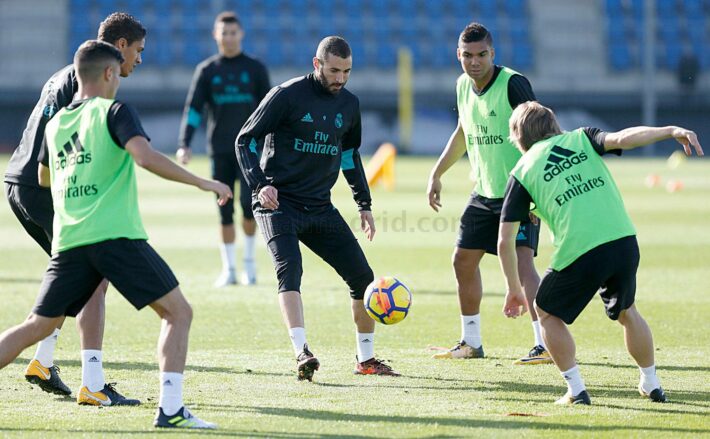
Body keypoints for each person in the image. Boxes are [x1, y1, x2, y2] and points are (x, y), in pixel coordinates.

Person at [0, 40, 230, 428]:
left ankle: (99, 383)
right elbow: (144, 157)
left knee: (36, 327)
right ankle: (171, 409)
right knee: (178, 313)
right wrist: (202, 182)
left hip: (70, 240)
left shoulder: (57, 124)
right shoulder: (116, 111)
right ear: (109, 73)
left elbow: (42, 176)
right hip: (113, 236)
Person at [498, 101, 703, 404]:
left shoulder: (522, 171)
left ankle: (576, 389)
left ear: (519, 138)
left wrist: (514, 288)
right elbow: (623, 138)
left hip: (581, 248)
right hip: (623, 239)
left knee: (545, 312)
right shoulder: (581, 138)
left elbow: (505, 241)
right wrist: (670, 130)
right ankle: (651, 382)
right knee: (627, 311)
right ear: (554, 126)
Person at [3, 13, 148, 404]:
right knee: (95, 280)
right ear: (120, 48)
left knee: (74, 280)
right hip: (43, 189)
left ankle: (43, 361)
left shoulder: (66, 73)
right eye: (137, 51)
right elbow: (70, 146)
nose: (139, 60)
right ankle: (93, 382)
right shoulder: (90, 83)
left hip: (19, 184)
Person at [235, 36, 398, 381]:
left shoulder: (350, 105)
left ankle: (366, 360)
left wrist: (363, 203)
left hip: (320, 207)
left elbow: (350, 156)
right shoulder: (286, 95)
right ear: (317, 64)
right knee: (290, 270)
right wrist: (260, 184)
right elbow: (244, 139)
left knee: (362, 278)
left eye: (347, 71)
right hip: (278, 203)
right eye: (334, 70)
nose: (340, 78)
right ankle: (301, 353)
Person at [426, 22, 549, 365]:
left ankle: (544, 343)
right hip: (483, 191)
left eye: (482, 55)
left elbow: (538, 136)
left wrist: (538, 194)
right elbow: (463, 132)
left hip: (520, 190)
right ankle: (471, 341)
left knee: (524, 266)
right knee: (462, 260)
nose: (474, 61)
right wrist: (436, 173)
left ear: (493, 53)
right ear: (458, 55)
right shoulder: (462, 86)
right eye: (467, 55)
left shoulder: (513, 84)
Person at [177, 11, 271, 287]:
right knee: (224, 207)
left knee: (248, 207)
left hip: (250, 150)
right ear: (215, 35)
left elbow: (270, 108)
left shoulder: (255, 69)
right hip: (219, 149)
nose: (228, 37)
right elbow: (194, 110)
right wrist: (185, 143)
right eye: (223, 33)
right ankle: (229, 269)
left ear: (240, 34)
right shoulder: (207, 71)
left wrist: (271, 142)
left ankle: (250, 266)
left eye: (233, 32)